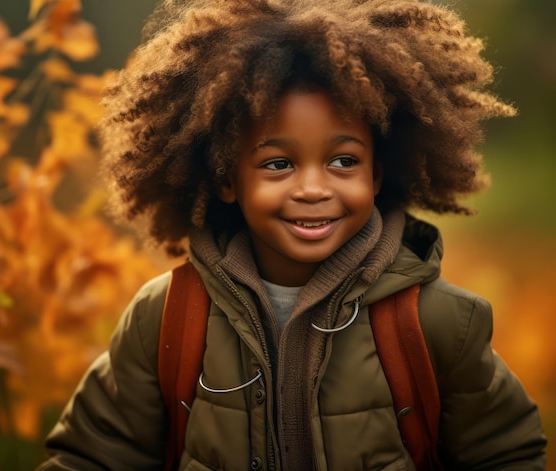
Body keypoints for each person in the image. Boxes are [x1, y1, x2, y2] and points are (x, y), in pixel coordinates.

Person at [38, 0, 547, 469]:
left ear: (376, 174)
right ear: (226, 178)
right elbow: (93, 454)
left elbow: (508, 454)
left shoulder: (437, 321)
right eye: (278, 164)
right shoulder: (167, 317)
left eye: (343, 161)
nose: (312, 188)